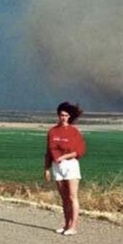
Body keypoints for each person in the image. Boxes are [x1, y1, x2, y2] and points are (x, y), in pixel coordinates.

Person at [44, 101, 86, 236]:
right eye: (61, 115)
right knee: (64, 198)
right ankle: (66, 224)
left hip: (70, 165)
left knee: (72, 196)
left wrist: (63, 157)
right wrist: (46, 168)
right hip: (57, 166)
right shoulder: (52, 131)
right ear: (58, 115)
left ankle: (73, 226)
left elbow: (79, 151)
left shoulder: (74, 131)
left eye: (66, 115)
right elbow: (49, 151)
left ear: (70, 117)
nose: (63, 117)